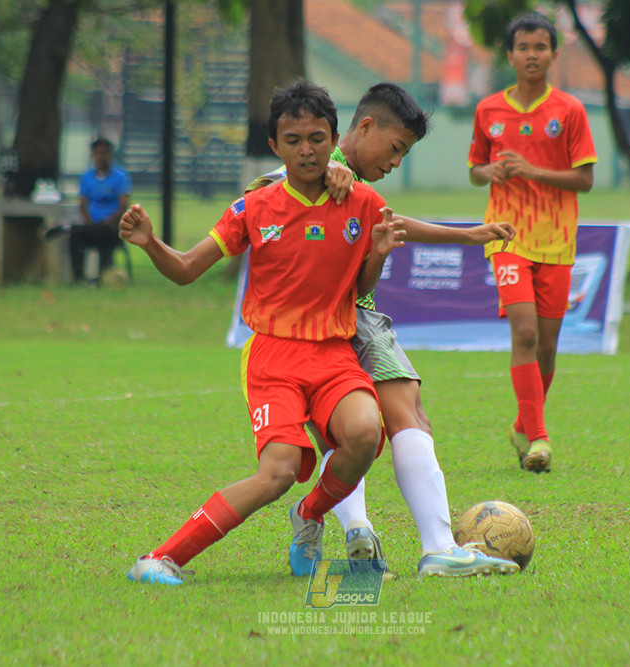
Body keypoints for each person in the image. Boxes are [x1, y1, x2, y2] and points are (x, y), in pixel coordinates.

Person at [122, 79, 406, 585]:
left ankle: (311, 513)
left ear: (334, 138)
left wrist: (378, 255)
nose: (306, 150)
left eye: (317, 138)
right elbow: (187, 269)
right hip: (274, 359)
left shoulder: (362, 202)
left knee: (365, 432)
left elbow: (360, 286)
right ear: (275, 146)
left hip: (335, 354)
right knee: (275, 475)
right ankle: (159, 558)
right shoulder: (253, 207)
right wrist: (150, 244)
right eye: (293, 140)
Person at [251, 83, 520, 578]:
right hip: (336, 322)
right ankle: (435, 544)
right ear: (366, 127)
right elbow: (261, 192)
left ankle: (359, 531)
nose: (397, 162)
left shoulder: (348, 182)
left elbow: (389, 220)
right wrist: (331, 164)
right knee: (404, 415)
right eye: (396, 149)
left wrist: (467, 234)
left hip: (330, 325)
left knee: (352, 433)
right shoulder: (315, 162)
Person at [467, 13, 597, 473]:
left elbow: (584, 179)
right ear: (510, 55)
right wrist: (492, 171)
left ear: (554, 55)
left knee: (546, 347)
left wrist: (533, 171)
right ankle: (540, 438)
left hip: (557, 241)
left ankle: (523, 423)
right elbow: (475, 170)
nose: (532, 55)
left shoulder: (570, 111)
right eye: (523, 47)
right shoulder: (488, 111)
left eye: (540, 47)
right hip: (506, 236)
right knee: (523, 333)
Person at [69, 138, 131, 283]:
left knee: (104, 234)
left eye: (104, 153)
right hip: (92, 224)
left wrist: (107, 221)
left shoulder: (120, 177)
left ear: (110, 155)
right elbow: (82, 205)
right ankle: (78, 277)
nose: (101, 157)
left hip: (111, 226)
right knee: (74, 234)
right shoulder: (87, 177)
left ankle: (103, 275)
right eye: (98, 153)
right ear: (93, 155)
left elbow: (123, 207)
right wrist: (90, 221)